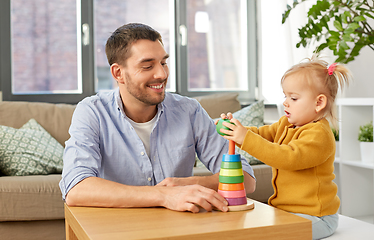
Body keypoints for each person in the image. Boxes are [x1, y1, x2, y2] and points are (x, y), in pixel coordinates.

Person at [59, 23, 256, 213]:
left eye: (163, 63)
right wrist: (163, 195)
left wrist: (187, 184)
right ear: (118, 73)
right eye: (147, 66)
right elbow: (76, 188)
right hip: (117, 228)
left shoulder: (189, 111)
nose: (162, 74)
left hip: (177, 227)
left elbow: (247, 179)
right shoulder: (92, 111)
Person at [217, 55, 352, 239]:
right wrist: (236, 130)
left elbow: (287, 157)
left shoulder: (319, 135)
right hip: (286, 212)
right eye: (285, 96)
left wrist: (245, 138)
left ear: (319, 103)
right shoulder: (286, 124)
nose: (285, 102)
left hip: (317, 217)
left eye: (294, 98)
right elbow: (262, 133)